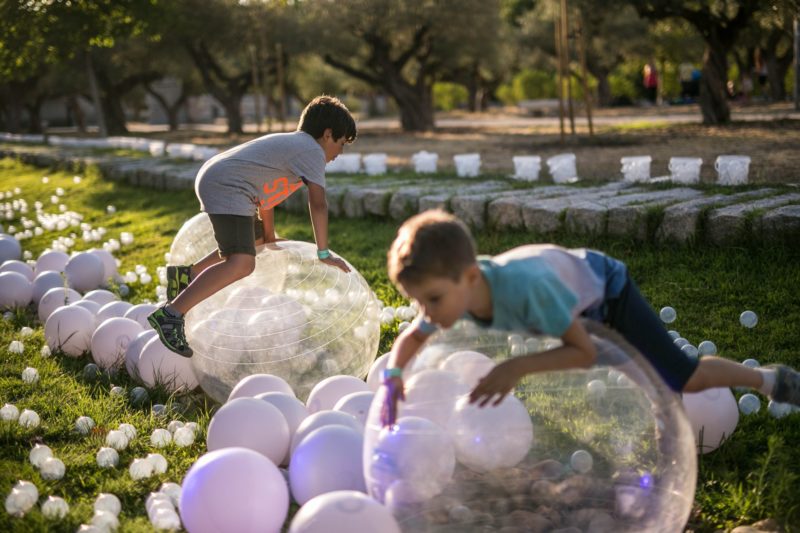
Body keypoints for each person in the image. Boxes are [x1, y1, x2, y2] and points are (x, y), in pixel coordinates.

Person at [380, 210, 800, 425]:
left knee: (680, 376)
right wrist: (393, 377)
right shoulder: (452, 293)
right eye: (419, 302)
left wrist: (516, 367)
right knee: (636, 374)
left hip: (608, 294)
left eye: (432, 300)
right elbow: (414, 339)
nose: (426, 314)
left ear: (470, 276)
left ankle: (770, 380)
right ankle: (664, 418)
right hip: (572, 303)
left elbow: (579, 351)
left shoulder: (525, 292)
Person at [148, 95, 355, 357]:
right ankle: (171, 314)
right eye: (341, 143)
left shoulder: (295, 148)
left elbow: (266, 198)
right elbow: (319, 205)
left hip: (221, 179)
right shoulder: (311, 151)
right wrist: (323, 252)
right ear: (327, 134)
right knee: (242, 263)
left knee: (254, 241)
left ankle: (188, 275)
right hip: (228, 185)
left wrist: (268, 236)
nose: (340, 153)